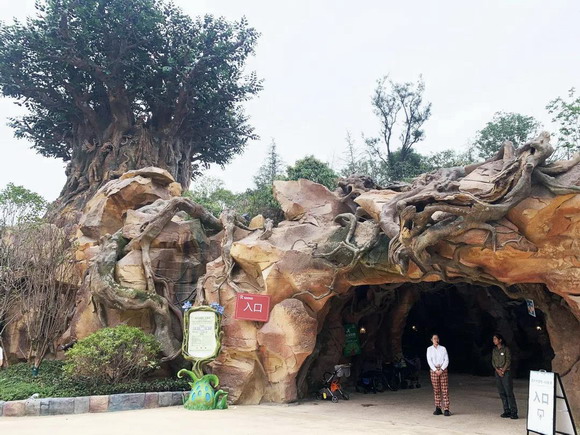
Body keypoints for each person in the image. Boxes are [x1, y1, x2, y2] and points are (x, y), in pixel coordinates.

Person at [492, 333, 518, 419]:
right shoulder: (494, 350)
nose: (494, 341)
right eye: (493, 339)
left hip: (506, 372)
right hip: (497, 372)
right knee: (502, 392)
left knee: (509, 391)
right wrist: (497, 370)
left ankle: (514, 412)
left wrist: (503, 370)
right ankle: (506, 410)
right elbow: (493, 361)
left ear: (500, 340)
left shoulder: (506, 349)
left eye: (495, 339)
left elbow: (508, 360)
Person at [426, 333, 450, 416]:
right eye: (434, 338)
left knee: (444, 389)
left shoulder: (443, 348)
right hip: (434, 370)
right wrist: (435, 370)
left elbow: (446, 360)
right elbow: (429, 360)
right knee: (436, 389)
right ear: (431, 340)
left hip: (443, 369)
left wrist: (442, 369)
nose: (436, 340)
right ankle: (438, 407)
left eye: (437, 338)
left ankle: (446, 408)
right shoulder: (429, 349)